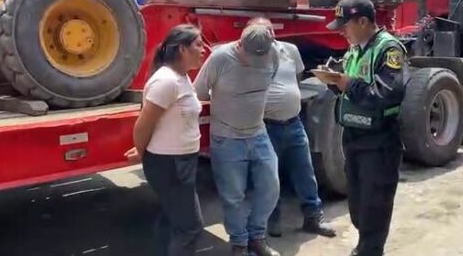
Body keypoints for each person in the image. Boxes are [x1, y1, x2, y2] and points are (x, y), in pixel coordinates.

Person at [317, 0, 408, 256]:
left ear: (364, 21)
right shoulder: (355, 49)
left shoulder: (389, 49)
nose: (342, 31)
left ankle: (370, 250)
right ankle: (365, 246)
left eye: (345, 25)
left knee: (374, 208)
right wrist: (334, 81)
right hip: (354, 138)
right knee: (357, 206)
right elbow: (351, 90)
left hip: (379, 142)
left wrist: (349, 84)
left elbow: (388, 93)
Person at [239, 18, 336, 239]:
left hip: (294, 123)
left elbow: (297, 77)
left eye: (271, 30)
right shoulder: (248, 55)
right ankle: (271, 220)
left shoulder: (290, 50)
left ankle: (313, 217)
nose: (270, 35)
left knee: (305, 172)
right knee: (268, 177)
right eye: (264, 32)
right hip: (265, 128)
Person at [193, 23, 281, 256]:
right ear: (240, 43)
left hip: (258, 134)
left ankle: (257, 236)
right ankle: (240, 243)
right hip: (227, 139)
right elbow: (198, 93)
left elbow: (268, 81)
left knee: (271, 188)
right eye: (250, 56)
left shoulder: (272, 54)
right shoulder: (220, 59)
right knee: (233, 196)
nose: (254, 61)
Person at [124, 24, 206, 256]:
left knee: (173, 220)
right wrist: (140, 150)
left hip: (180, 162)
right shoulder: (167, 81)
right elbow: (143, 124)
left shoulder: (181, 78)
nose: (204, 50)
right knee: (191, 228)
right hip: (170, 164)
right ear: (182, 49)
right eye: (198, 45)